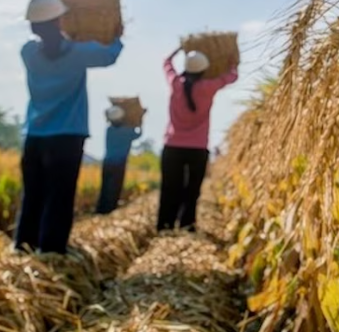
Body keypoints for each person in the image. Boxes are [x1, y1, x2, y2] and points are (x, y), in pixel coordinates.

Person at [14, 0, 123, 254]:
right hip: (67, 138)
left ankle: (24, 245)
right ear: (58, 22)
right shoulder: (77, 54)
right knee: (59, 196)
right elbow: (110, 55)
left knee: (33, 196)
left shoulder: (28, 52)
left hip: (35, 136)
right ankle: (51, 250)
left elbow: (55, 44)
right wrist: (118, 34)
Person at [157, 47, 238, 232]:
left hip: (172, 146)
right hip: (197, 149)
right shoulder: (208, 87)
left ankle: (164, 225)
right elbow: (232, 76)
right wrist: (232, 61)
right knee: (192, 189)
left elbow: (166, 64)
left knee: (169, 188)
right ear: (204, 70)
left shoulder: (176, 83)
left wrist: (177, 50)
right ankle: (187, 224)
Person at [95, 105, 141, 215]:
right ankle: (110, 210)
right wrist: (138, 119)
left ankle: (100, 210)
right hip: (119, 164)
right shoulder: (127, 131)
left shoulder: (109, 130)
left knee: (105, 187)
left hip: (107, 162)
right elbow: (139, 133)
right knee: (115, 188)